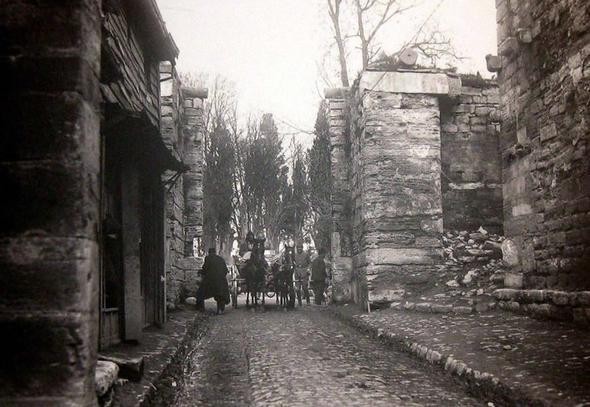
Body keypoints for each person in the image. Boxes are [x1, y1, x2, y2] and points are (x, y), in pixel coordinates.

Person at [196, 247, 231, 314]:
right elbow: (225, 271)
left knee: (200, 293)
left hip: (210, 281)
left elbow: (205, 269)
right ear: (215, 252)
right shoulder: (221, 259)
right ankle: (220, 309)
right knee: (221, 293)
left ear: (209, 253)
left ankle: (201, 308)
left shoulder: (208, 258)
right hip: (221, 281)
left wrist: (200, 272)